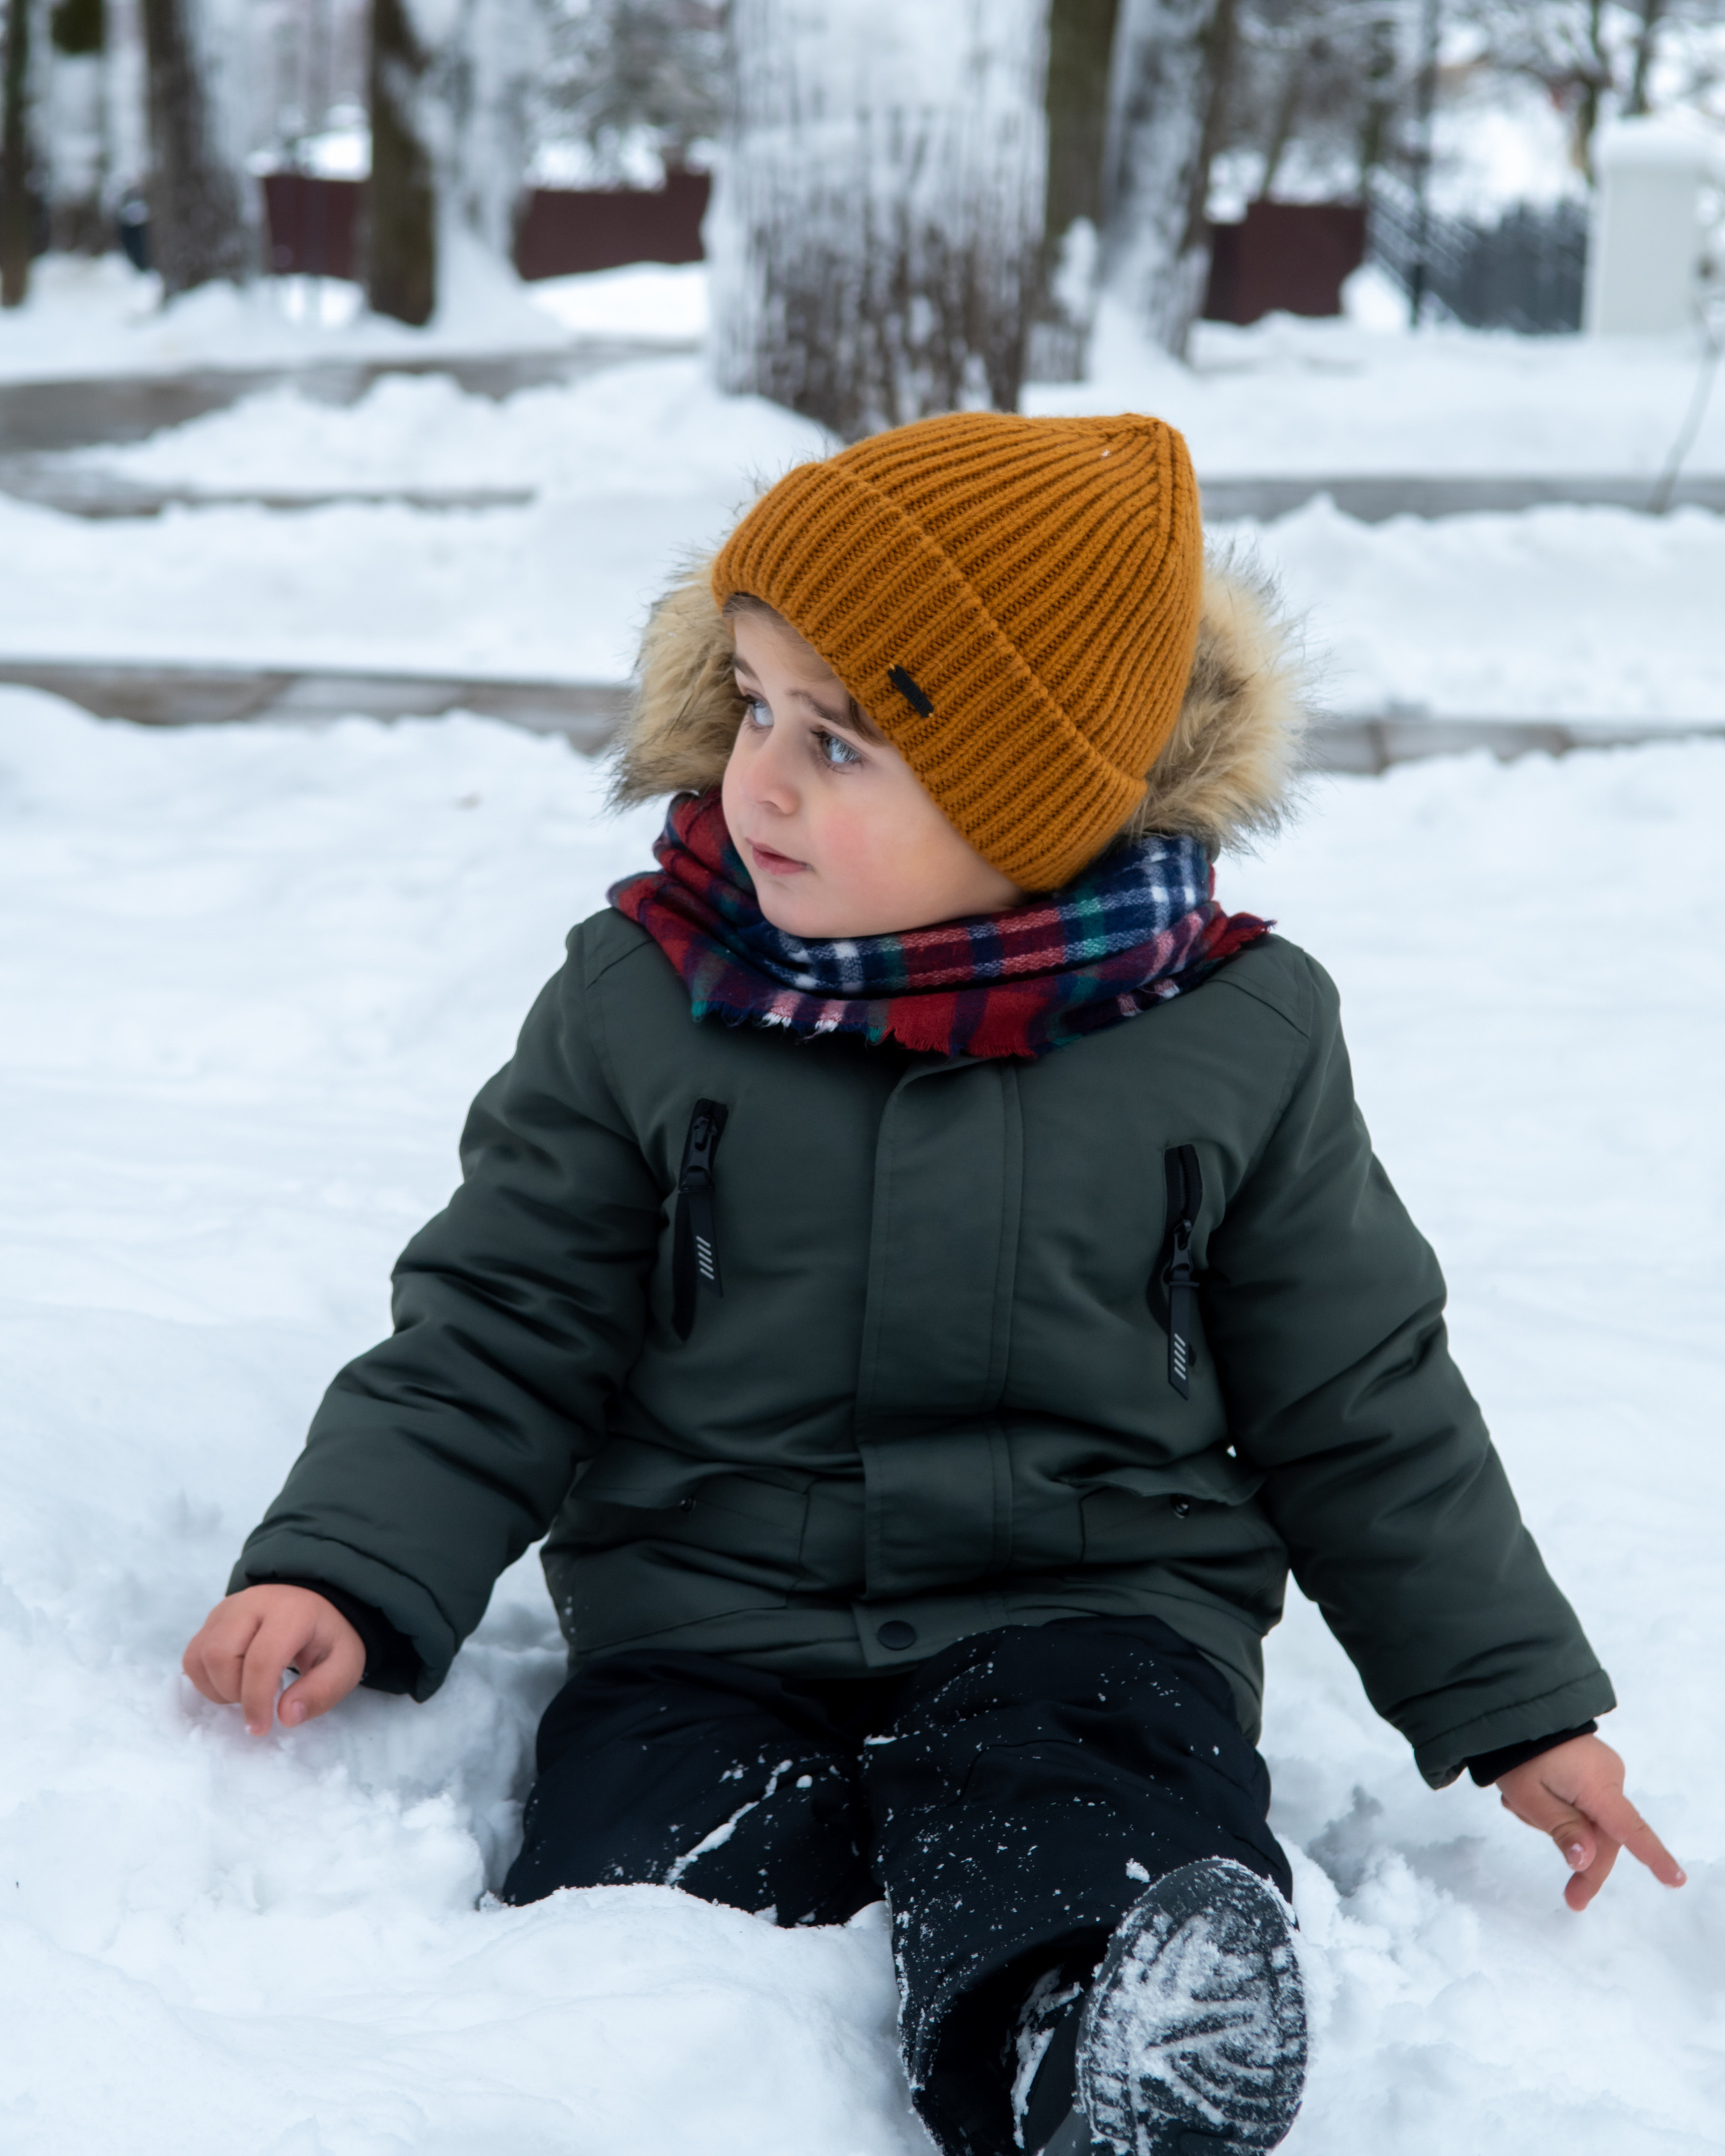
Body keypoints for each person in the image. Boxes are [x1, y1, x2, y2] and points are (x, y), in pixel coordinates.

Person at [182, 412, 1683, 2156]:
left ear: (1030, 804)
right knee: (653, 1861)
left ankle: (1099, 2046)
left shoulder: (1237, 1044)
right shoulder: (639, 1002)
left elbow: (1360, 1401)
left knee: (1091, 1800)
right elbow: (503, 1327)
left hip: (1091, 1611)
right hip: (711, 1619)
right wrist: (347, 1565)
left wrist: (1514, 1707)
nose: (760, 779)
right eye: (750, 705)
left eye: (839, 742)